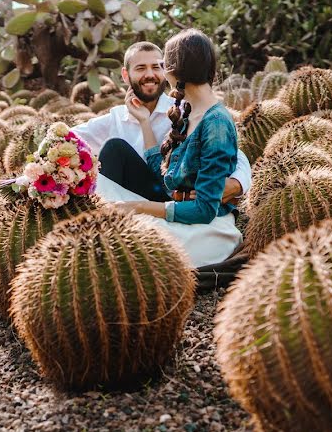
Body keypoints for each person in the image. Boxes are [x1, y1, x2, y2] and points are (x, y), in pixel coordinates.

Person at [90, 30, 243, 267]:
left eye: (161, 65)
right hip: (178, 209)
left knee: (120, 244)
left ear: (172, 70)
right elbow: (164, 176)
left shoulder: (216, 122)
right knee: (101, 192)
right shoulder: (188, 112)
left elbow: (204, 209)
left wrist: (140, 206)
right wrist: (143, 121)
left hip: (200, 226)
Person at [72, 41, 251, 206]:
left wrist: (237, 184)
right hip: (126, 208)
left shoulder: (184, 110)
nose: (150, 75)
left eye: (156, 67)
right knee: (114, 149)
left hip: (169, 200)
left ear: (166, 71)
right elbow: (66, 137)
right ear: (126, 75)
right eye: (141, 68)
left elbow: (232, 151)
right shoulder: (115, 118)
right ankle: (106, 222)